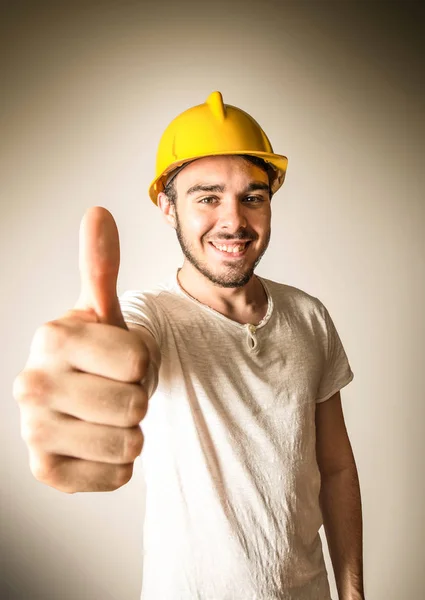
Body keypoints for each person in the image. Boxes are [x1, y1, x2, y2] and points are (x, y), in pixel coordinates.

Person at [13, 92, 364, 600]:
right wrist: (85, 380)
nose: (234, 221)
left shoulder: (309, 315)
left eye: (253, 196)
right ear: (167, 207)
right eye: (207, 197)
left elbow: (335, 467)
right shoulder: (150, 316)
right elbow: (130, 352)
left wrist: (352, 593)